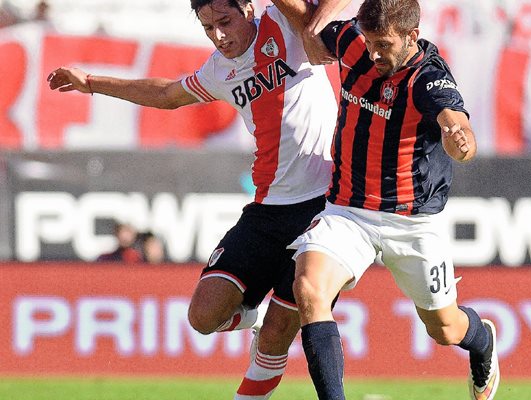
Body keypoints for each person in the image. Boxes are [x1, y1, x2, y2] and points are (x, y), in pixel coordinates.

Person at [47, 0, 349, 397]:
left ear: (249, 9)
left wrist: (313, 24)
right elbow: (169, 94)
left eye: (225, 22)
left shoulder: (287, 24)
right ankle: (252, 316)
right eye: (208, 28)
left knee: (278, 334)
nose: (219, 36)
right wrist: (92, 82)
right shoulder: (219, 70)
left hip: (322, 207)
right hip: (265, 212)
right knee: (203, 316)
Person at [271, 0, 500, 399]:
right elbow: (307, 17)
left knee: (445, 328)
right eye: (370, 42)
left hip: (411, 223)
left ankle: (482, 342)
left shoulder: (429, 78)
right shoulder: (353, 42)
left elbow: (456, 123)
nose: (375, 53)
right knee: (309, 288)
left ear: (412, 36)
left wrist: (460, 141)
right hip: (347, 212)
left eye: (385, 45)